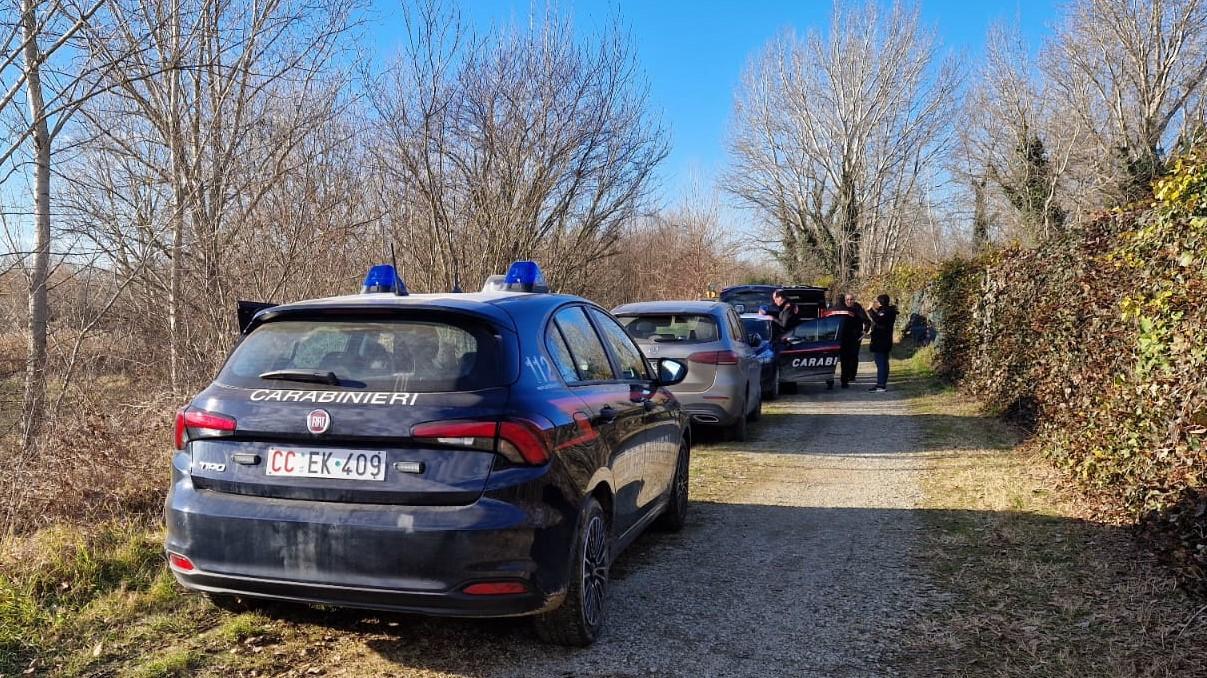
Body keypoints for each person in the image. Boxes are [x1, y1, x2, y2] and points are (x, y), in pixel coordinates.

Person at [828, 292, 870, 388]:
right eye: (848, 300)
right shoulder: (841, 310)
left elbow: (867, 321)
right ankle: (842, 380)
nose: (849, 301)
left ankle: (850, 376)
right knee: (843, 359)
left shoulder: (857, 308)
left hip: (854, 337)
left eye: (851, 299)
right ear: (844, 300)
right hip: (841, 338)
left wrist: (864, 331)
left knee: (852, 357)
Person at [867, 294, 898, 392]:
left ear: (881, 302)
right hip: (885, 341)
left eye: (877, 301)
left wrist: (870, 310)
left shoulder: (885, 312)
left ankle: (881, 385)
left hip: (881, 341)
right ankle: (882, 383)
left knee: (881, 363)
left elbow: (879, 320)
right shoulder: (888, 311)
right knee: (884, 362)